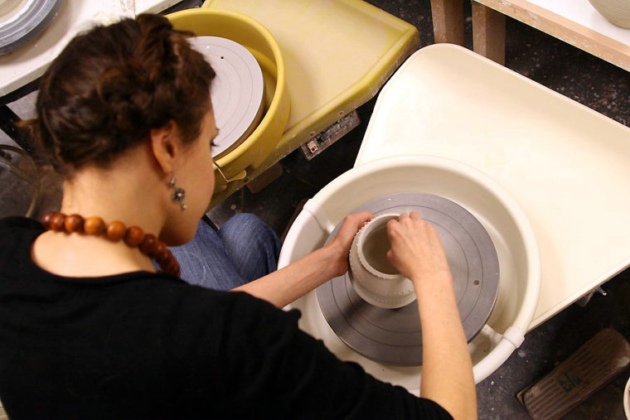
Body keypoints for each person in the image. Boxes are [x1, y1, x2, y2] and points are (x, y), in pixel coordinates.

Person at [0, 13, 477, 419]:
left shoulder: (11, 247)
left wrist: (328, 261)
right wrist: (433, 276)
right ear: (166, 149)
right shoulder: (240, 347)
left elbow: (183, 325)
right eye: (208, 144)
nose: (210, 168)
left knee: (245, 231)